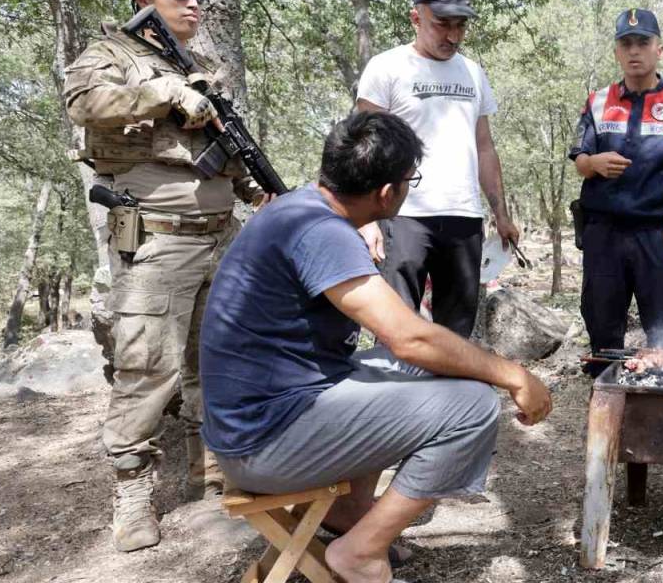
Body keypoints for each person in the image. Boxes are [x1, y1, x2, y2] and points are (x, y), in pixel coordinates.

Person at [200, 111, 552, 583]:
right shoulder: (321, 232)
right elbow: (409, 337)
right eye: (410, 179)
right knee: (473, 406)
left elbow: (413, 347)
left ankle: (349, 515)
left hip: (263, 419)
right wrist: (514, 374)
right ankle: (360, 551)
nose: (410, 187)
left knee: (428, 370)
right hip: (262, 444)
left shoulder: (302, 209)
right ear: (387, 192)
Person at [63, 0, 264, 552]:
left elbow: (223, 149)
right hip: (157, 238)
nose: (194, 2)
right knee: (149, 366)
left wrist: (260, 190)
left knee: (220, 358)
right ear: (142, 1)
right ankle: (132, 491)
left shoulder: (201, 65)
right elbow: (85, 104)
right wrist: (164, 91)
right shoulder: (110, 57)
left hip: (220, 233)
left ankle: (217, 467)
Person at [354, 0, 519, 337]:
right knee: (397, 327)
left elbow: (485, 146)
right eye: (442, 24)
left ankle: (451, 395)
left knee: (455, 334)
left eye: (460, 26)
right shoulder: (387, 67)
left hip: (463, 217)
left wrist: (501, 214)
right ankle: (398, 394)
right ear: (416, 18)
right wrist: (365, 218)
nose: (453, 36)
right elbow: (364, 144)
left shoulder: (473, 73)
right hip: (404, 215)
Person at [568, 8, 663, 374]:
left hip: (659, 233)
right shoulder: (596, 102)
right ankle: (605, 412)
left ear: (659, 49)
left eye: (643, 42)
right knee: (602, 330)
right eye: (626, 43)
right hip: (604, 233)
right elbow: (580, 160)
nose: (635, 51)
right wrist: (594, 163)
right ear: (617, 51)